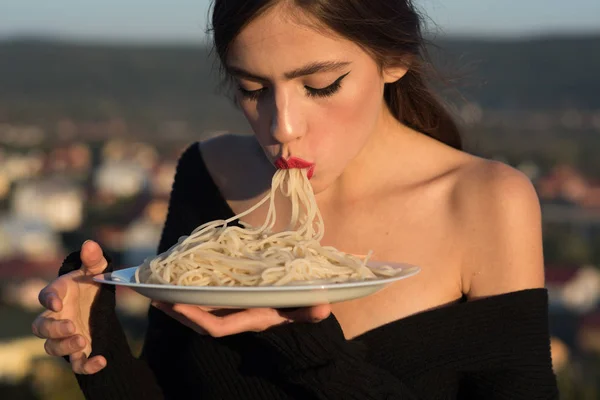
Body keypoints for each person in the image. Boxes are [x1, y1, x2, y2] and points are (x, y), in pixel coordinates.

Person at [31, 0, 559, 398]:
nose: (282, 128)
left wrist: (310, 348)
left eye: (322, 85)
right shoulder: (209, 171)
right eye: (253, 90)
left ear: (395, 58)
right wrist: (96, 339)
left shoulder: (487, 203)